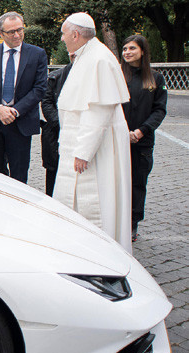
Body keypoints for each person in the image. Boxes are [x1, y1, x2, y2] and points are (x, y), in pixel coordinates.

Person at [53, 12, 132, 251]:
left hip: (96, 151)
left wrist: (83, 152)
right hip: (83, 146)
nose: (63, 39)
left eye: (64, 34)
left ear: (75, 34)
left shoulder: (98, 59)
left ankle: (99, 251)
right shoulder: (86, 56)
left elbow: (98, 111)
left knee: (97, 201)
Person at [0, 12, 47, 183]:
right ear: (0, 33)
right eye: (11, 32)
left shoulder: (37, 54)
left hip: (20, 122)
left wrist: (15, 111)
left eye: (20, 30)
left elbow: (39, 89)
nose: (17, 35)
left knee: (19, 175)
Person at [120, 34, 167, 241]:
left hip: (142, 141)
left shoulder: (155, 78)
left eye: (132, 49)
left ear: (142, 51)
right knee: (117, 183)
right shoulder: (118, 75)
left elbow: (159, 110)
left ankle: (132, 223)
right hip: (118, 139)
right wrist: (122, 131)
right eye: (124, 49)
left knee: (137, 184)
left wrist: (141, 131)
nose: (127, 52)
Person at [40, 62, 72, 196]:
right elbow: (46, 102)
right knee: (53, 175)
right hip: (55, 133)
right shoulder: (55, 77)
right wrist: (62, 123)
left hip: (77, 135)